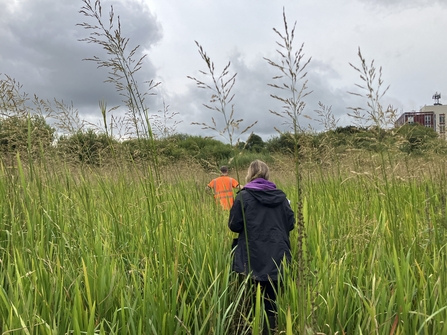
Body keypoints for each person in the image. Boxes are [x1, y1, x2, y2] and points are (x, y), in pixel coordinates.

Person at [228, 160, 295, 334]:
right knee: (271, 298)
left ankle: (255, 328)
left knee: (253, 295)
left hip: (252, 256)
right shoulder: (281, 197)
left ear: (249, 175)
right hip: (278, 254)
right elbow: (291, 224)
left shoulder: (243, 196)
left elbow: (234, 225)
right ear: (267, 174)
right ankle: (270, 329)